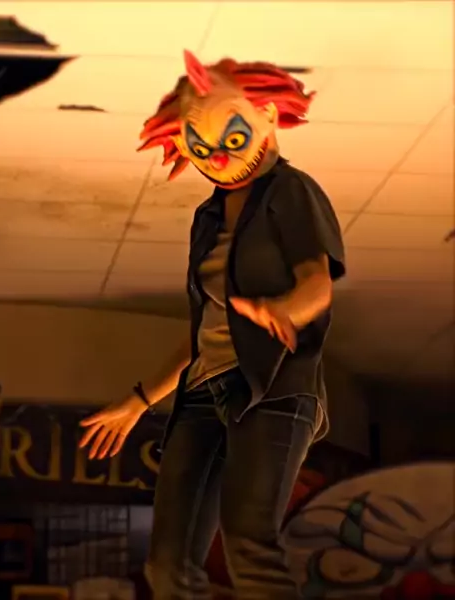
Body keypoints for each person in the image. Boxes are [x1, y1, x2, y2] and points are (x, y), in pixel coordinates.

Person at [79, 50, 346, 599]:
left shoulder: (291, 192)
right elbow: (203, 331)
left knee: (248, 545)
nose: (218, 158)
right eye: (200, 146)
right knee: (168, 566)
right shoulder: (208, 216)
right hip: (204, 391)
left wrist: (284, 311)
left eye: (232, 137)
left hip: (273, 386)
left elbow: (317, 284)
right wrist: (140, 400)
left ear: (267, 117)